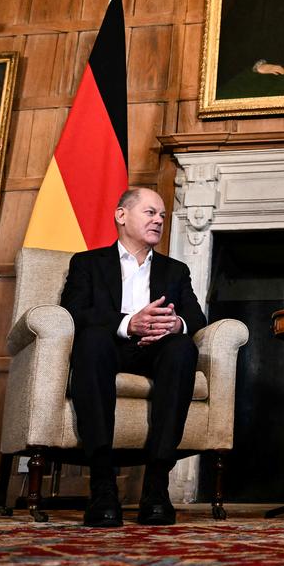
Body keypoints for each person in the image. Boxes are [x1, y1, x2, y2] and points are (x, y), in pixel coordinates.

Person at [60, 187, 206, 528]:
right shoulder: (87, 263)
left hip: (156, 349)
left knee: (183, 348)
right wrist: (128, 323)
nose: (158, 220)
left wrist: (176, 324)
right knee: (92, 340)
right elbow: (73, 312)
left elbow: (196, 320)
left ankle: (157, 487)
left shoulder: (176, 270)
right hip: (109, 346)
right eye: (150, 212)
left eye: (162, 216)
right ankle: (103, 486)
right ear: (121, 215)